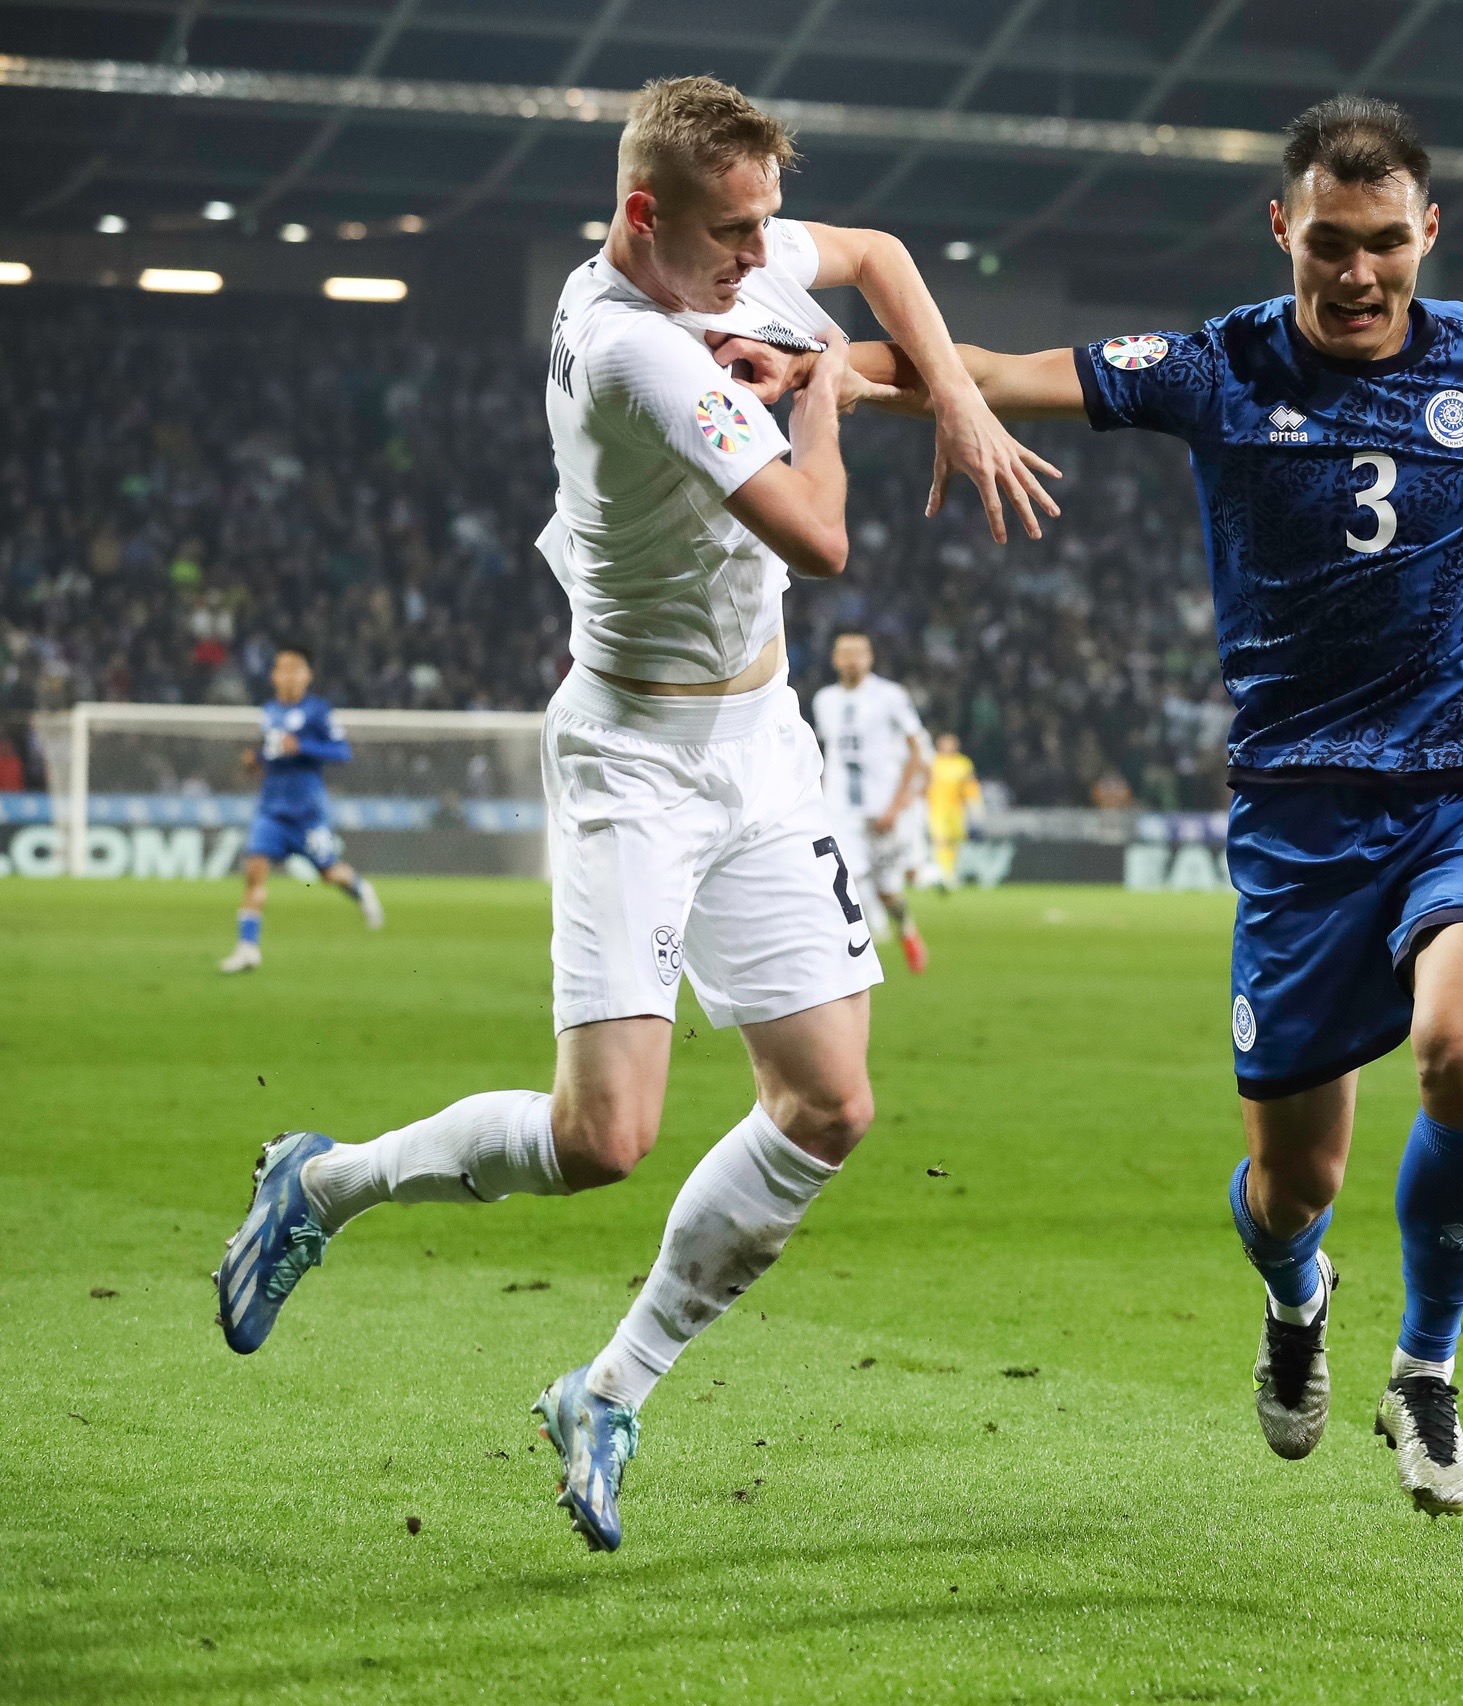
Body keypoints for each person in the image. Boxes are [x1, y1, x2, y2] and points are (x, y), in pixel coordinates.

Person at [732, 95, 1463, 1513]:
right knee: (1294, 1187)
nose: (1359, 274)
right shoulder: (1216, 366)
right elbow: (1000, 369)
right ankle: (1297, 1297)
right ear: (1282, 228)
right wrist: (830, 370)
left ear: (1429, 233)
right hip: (1300, 814)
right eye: (1330, 243)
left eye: (1387, 243)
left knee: (1462, 1051)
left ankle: (1426, 1366)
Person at [213, 75, 1059, 1554]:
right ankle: (327, 1182)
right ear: (642, 214)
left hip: (763, 742)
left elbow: (877, 258)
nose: (760, 255)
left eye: (766, 224)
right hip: (636, 756)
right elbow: (823, 536)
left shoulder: (721, 269)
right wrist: (828, 393)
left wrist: (954, 389)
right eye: (732, 234)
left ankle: (608, 1387)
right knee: (603, 1135)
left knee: (830, 1103)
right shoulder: (631, 354)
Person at [219, 643, 383, 973]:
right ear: (274, 676)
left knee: (328, 873)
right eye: (283, 669)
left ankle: (360, 888)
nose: (289, 676)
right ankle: (248, 949)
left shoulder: (318, 711)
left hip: (307, 813)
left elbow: (342, 752)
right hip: (270, 812)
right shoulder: (269, 712)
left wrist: (303, 746)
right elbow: (273, 754)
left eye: (295, 669)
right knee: (254, 873)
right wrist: (255, 762)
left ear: (307, 676)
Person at [809, 630, 934, 970]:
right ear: (834, 659)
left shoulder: (890, 696)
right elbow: (825, 752)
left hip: (881, 808)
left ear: (870, 658)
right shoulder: (824, 700)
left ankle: (906, 930)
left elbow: (917, 749)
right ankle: (859, 944)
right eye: (844, 653)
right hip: (840, 808)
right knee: (843, 875)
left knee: (887, 890)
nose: (851, 660)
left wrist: (897, 805)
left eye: (858, 653)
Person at [925, 731, 982, 885]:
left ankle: (950, 871)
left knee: (954, 842)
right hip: (937, 809)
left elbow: (970, 785)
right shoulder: (932, 762)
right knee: (940, 840)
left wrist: (975, 804)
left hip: (956, 809)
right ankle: (943, 873)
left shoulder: (963, 763)